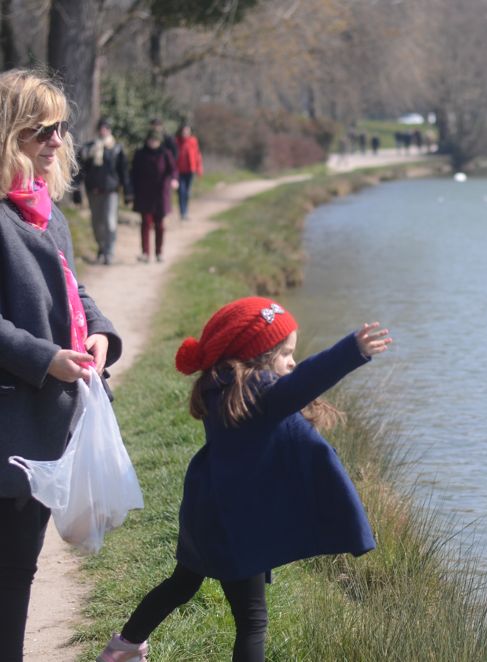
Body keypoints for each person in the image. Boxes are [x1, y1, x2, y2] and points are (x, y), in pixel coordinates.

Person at [98, 297, 390, 662]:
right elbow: (303, 382)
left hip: (206, 514)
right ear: (257, 356)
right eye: (286, 354)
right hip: (238, 526)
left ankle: (123, 647)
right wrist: (351, 351)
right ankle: (123, 650)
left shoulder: (220, 385)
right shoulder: (260, 396)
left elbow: (293, 386)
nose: (292, 362)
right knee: (252, 623)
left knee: (181, 584)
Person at [0, 68, 123, 662]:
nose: (56, 140)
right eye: (41, 129)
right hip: (9, 430)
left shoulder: (47, 211)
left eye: (61, 128)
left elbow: (74, 291)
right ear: (8, 134)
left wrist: (99, 332)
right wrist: (45, 358)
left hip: (48, 428)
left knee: (18, 571)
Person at [72, 117, 131, 265]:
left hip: (111, 192)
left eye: (106, 127)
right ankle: (101, 249)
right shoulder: (88, 149)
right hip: (93, 191)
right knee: (97, 224)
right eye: (101, 127)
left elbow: (123, 172)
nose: (103, 130)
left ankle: (109, 252)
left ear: (110, 130)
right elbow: (80, 171)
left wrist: (128, 192)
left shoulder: (117, 149)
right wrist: (76, 190)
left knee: (110, 222)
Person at [130, 130, 177, 263]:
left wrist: (174, 180)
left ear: (159, 141)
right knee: (145, 223)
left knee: (160, 225)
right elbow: (133, 172)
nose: (153, 142)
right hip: (144, 194)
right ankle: (145, 253)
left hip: (161, 194)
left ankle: (159, 252)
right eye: (151, 140)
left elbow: (173, 170)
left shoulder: (166, 154)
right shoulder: (140, 154)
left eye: (155, 140)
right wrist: (131, 191)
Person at [174, 122, 202, 221]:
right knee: (181, 191)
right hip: (179, 171)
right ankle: (183, 212)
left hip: (190, 170)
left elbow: (197, 155)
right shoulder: (176, 141)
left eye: (187, 131)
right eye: (184, 130)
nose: (185, 132)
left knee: (187, 192)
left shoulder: (193, 141)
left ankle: (185, 211)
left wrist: (199, 168)